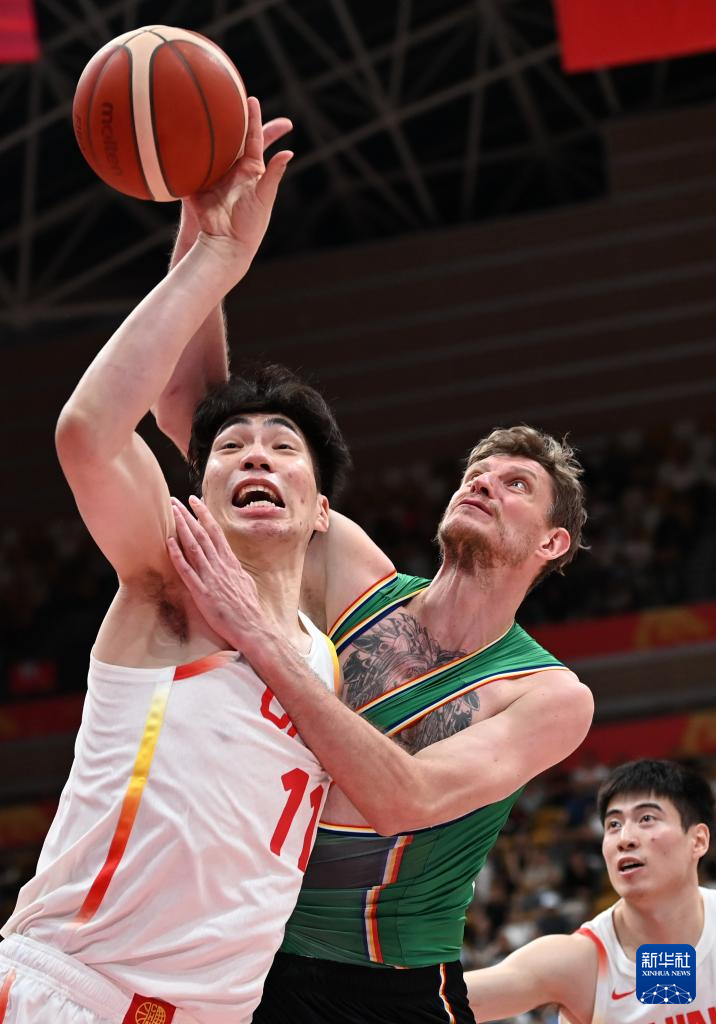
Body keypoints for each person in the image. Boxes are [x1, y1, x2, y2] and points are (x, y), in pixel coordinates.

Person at [0, 98, 352, 1024]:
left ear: (322, 511)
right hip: (76, 996)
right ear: (201, 487)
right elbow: (89, 433)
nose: (255, 456)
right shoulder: (174, 581)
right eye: (230, 447)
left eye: (283, 447)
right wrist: (212, 257)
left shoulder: (324, 659)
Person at [164, 420, 594, 1023]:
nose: (483, 485)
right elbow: (225, 431)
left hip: (384, 985)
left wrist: (259, 637)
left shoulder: (548, 694)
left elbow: (404, 800)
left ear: (552, 542)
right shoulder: (353, 573)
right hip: (247, 947)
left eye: (516, 484)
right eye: (475, 475)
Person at [463, 758, 716, 1024]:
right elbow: (441, 1002)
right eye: (614, 824)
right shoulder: (578, 963)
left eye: (646, 819)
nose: (624, 839)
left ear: (698, 841)